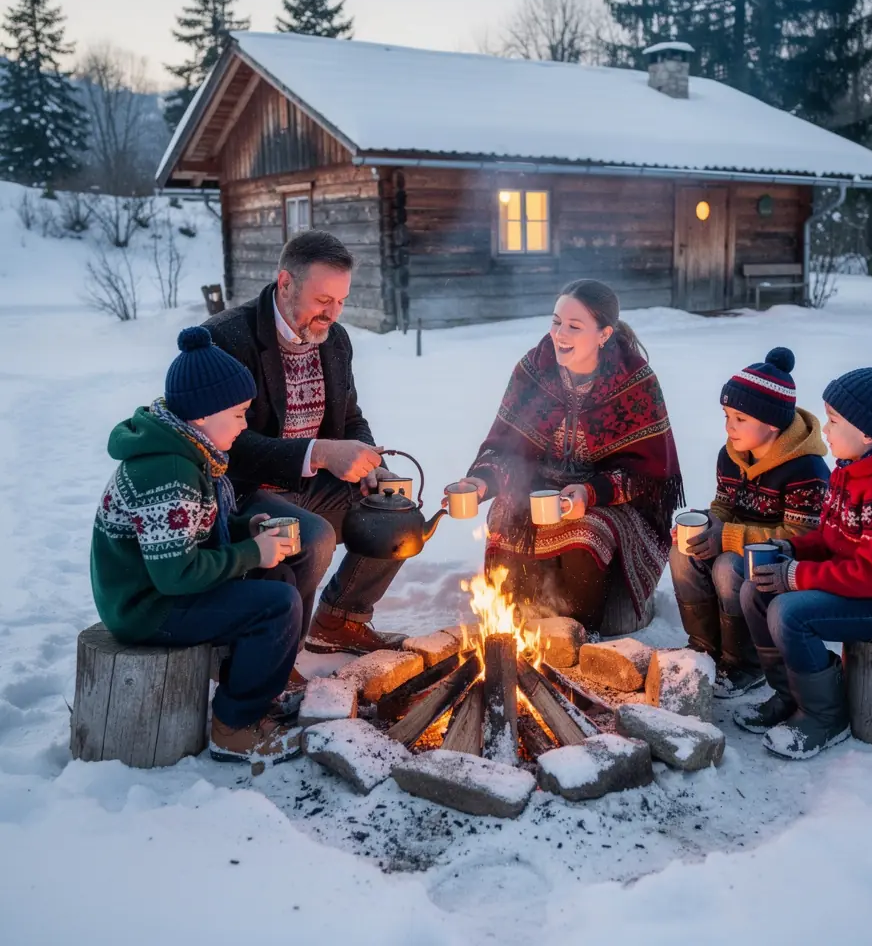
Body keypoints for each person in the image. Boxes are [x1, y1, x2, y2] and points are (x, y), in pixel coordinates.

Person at [90, 327, 305, 763]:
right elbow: (176, 574)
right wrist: (251, 553)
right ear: (205, 414)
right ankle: (233, 725)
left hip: (162, 589)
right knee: (277, 603)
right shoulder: (170, 472)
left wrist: (247, 529)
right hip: (146, 608)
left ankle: (248, 692)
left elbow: (193, 529)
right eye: (240, 413)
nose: (245, 424)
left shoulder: (189, 450)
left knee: (278, 576)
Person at [205, 230, 407, 655]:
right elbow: (225, 447)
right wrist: (318, 454)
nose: (332, 314)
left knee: (396, 510)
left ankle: (340, 620)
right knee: (309, 538)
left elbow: (350, 417)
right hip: (242, 492)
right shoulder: (226, 339)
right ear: (285, 283)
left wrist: (371, 463)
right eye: (322, 300)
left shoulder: (334, 340)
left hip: (310, 484)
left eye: (341, 301)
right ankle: (276, 658)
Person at [738, 362, 872, 760]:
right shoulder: (852, 469)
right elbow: (836, 539)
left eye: (833, 421)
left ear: (867, 432)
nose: (825, 429)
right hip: (863, 585)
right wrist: (794, 550)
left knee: (788, 611)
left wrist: (797, 576)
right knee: (756, 589)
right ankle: (789, 697)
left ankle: (823, 715)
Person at [457, 280, 683, 632]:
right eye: (556, 321)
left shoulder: (634, 381)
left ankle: (577, 632)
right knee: (504, 516)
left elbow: (647, 473)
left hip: (611, 500)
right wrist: (482, 481)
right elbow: (505, 446)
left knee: (584, 532)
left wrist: (588, 493)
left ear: (604, 334)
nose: (560, 334)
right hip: (539, 491)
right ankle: (517, 627)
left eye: (574, 327)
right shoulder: (533, 370)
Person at [670, 347, 830, 699]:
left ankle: (744, 662)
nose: (729, 426)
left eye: (740, 418)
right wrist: (707, 524)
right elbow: (724, 505)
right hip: (735, 543)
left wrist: (725, 538)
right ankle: (703, 649)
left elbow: (801, 535)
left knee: (728, 567)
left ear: (772, 423)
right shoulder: (731, 455)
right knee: (682, 553)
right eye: (726, 415)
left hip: (782, 565)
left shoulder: (805, 469)